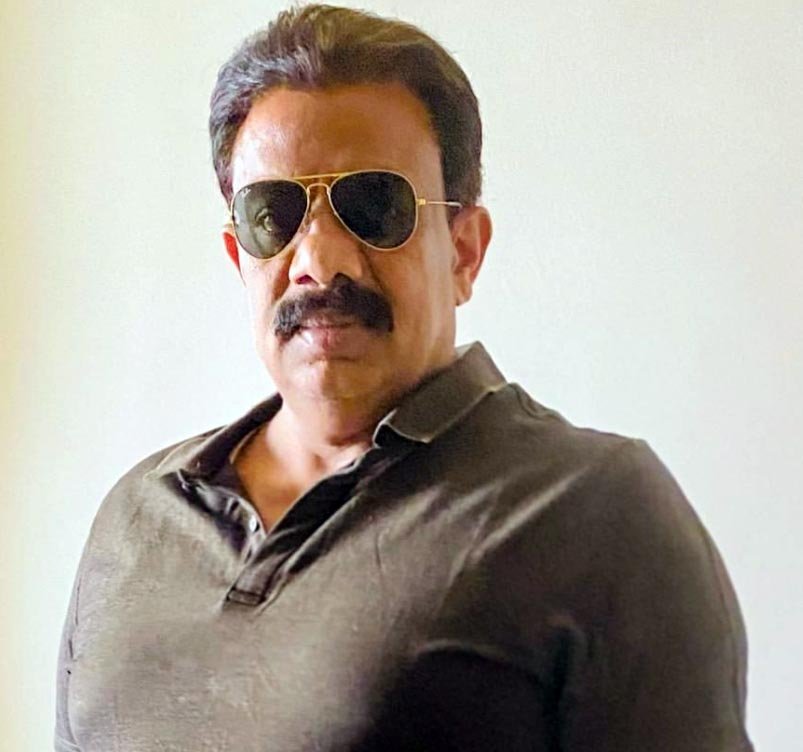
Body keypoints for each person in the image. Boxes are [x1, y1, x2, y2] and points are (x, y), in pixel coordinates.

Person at [55, 5, 754, 751]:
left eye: (373, 207)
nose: (319, 262)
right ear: (239, 257)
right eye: (273, 214)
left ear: (463, 251)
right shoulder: (137, 520)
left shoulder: (597, 512)